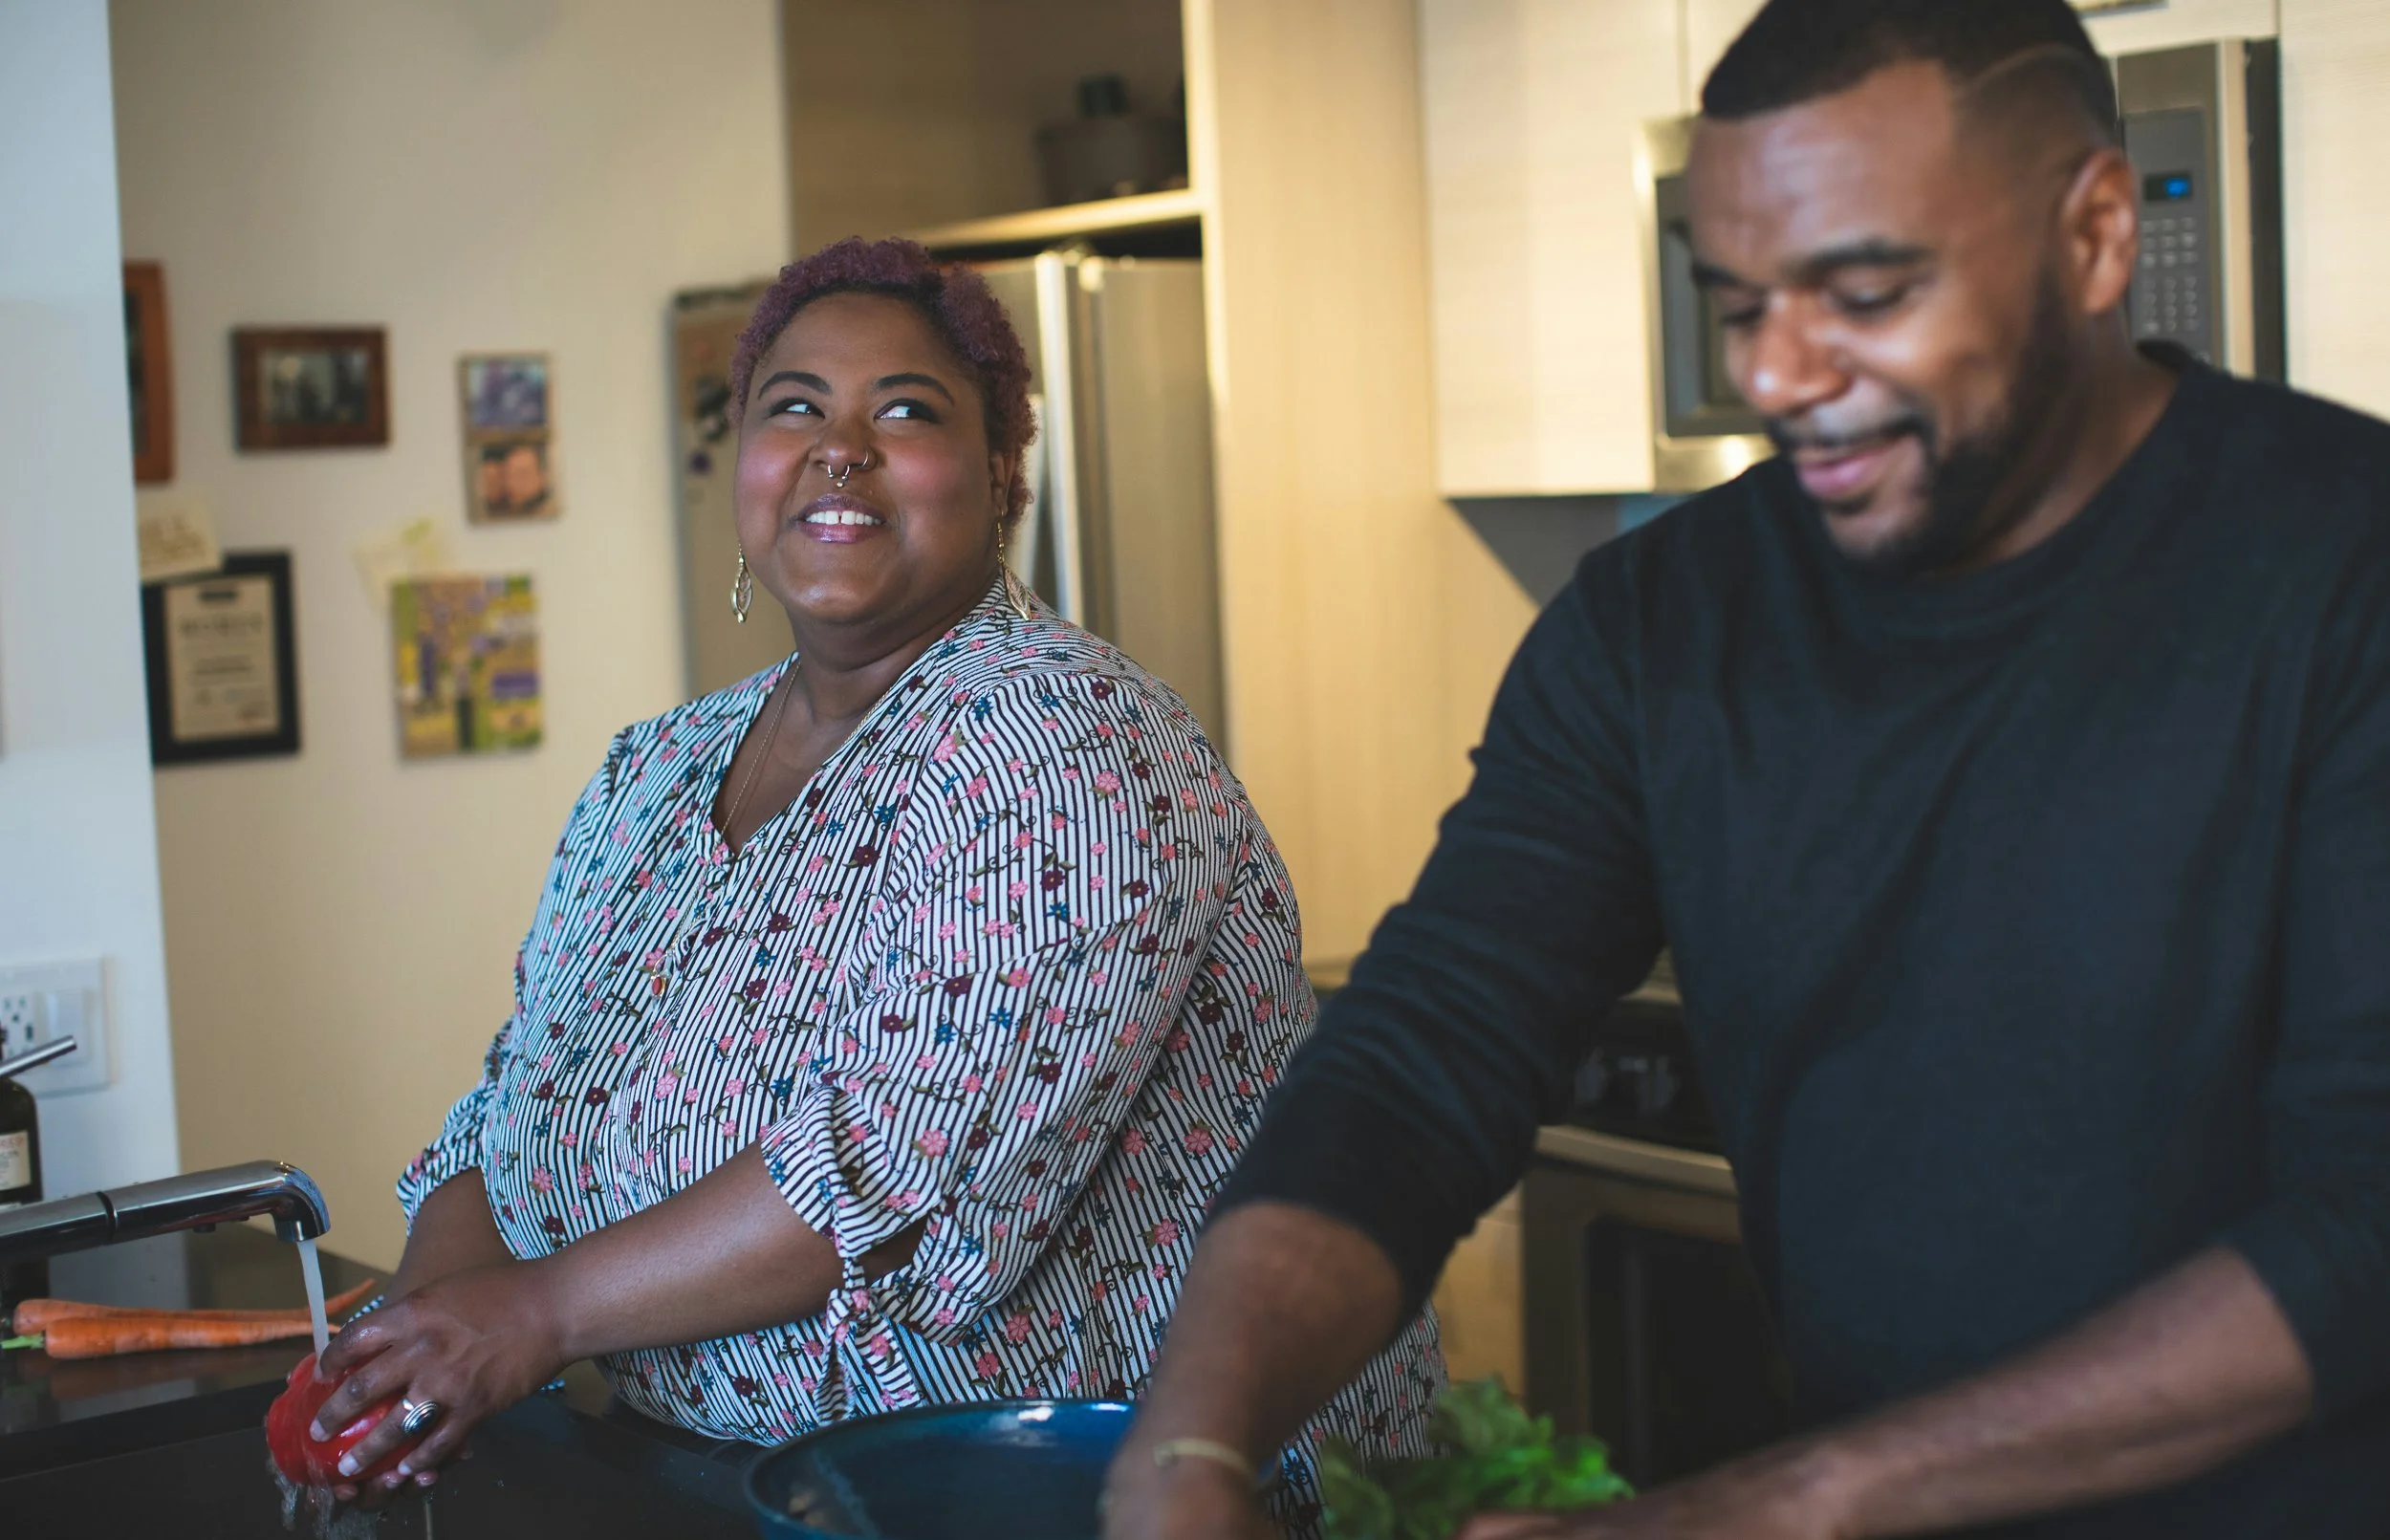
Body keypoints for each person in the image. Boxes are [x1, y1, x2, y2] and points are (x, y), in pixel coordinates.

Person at [1106, 3, 2390, 1537]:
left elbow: (2366, 1224)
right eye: (1739, 305)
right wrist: (1185, 1447)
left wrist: (1784, 1502)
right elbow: (1421, 1056)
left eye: (1863, 291)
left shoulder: (2344, 566)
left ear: (2098, 233)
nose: (1779, 373)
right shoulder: (1659, 625)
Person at [303, 237, 1440, 1515]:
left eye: (904, 410)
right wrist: (427, 1327)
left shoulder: (1061, 738)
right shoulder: (655, 770)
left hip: (1104, 1500)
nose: (839, 445)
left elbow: (897, 1168)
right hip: (739, 1483)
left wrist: (535, 1311)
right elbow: (520, 1098)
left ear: (1002, 477)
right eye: (794, 408)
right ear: (746, 467)